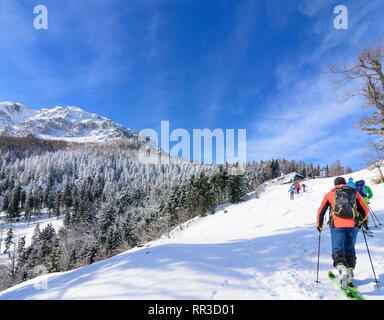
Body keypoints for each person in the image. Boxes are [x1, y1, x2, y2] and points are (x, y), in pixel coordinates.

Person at [316, 177, 369, 289]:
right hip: (353, 225)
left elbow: (321, 211)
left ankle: (342, 268)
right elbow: (364, 210)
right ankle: (349, 274)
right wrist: (360, 221)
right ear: (345, 184)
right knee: (350, 249)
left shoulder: (330, 194)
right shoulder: (354, 192)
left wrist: (319, 225)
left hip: (337, 225)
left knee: (338, 250)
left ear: (335, 184)